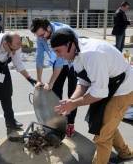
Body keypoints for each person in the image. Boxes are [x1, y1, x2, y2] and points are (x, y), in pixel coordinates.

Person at [50, 28, 133, 164]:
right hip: (108, 87)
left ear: (70, 44)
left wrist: (74, 104)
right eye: (55, 52)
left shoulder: (92, 54)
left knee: (102, 136)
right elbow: (83, 81)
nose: (58, 56)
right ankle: (125, 153)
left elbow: (99, 93)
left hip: (122, 90)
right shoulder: (76, 53)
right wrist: (71, 100)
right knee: (105, 125)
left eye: (58, 51)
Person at [30, 17, 79, 137]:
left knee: (72, 94)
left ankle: (70, 123)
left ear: (48, 28)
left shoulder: (61, 32)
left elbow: (60, 62)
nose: (41, 38)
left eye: (42, 35)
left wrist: (50, 83)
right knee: (56, 92)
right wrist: (39, 81)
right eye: (38, 36)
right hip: (59, 62)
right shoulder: (40, 36)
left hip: (74, 62)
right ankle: (57, 121)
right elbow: (39, 57)